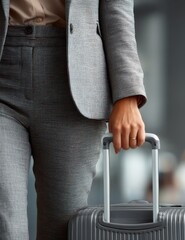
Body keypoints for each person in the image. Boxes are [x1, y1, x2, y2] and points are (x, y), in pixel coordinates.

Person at [0, 0, 147, 239]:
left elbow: (117, 8)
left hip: (75, 82)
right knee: (4, 222)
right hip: (4, 67)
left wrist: (128, 94)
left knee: (63, 226)